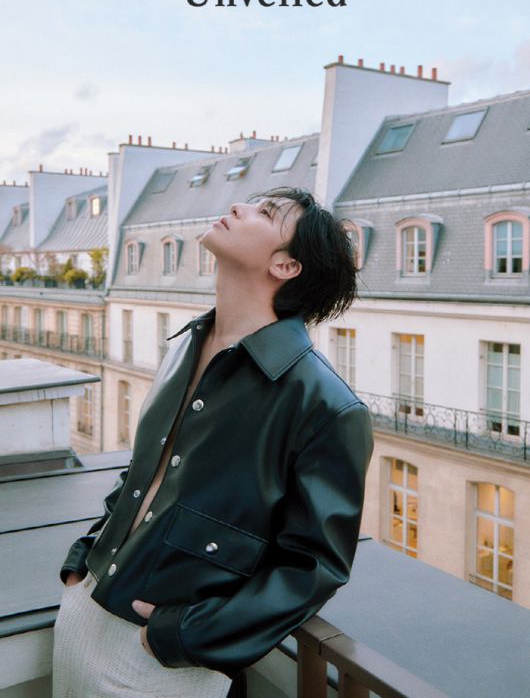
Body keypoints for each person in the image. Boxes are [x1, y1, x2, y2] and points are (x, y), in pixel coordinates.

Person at [53, 186, 374, 698]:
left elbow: (315, 567)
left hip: (159, 658)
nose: (238, 208)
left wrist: (184, 636)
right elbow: (145, 472)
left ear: (287, 265)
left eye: (265, 212)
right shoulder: (187, 345)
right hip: (85, 610)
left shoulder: (326, 405)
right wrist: (83, 558)